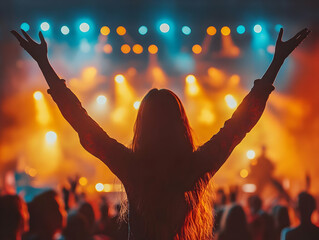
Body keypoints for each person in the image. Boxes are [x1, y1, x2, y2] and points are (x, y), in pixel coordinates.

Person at [11, 27, 310, 240]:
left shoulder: (132, 166)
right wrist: (276, 62)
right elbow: (240, 123)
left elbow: (80, 121)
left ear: (142, 125)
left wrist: (45, 64)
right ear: (180, 124)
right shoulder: (195, 167)